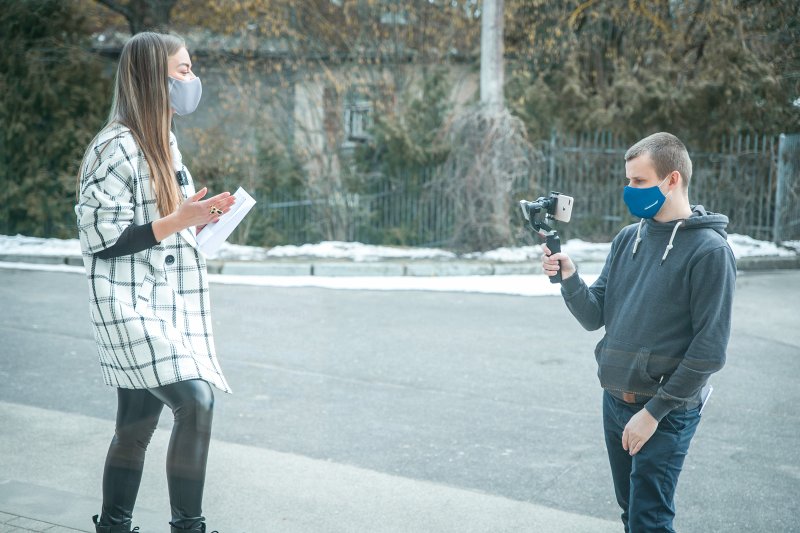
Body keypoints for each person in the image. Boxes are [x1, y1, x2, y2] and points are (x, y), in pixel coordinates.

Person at [75, 32, 234, 533]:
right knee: (196, 399)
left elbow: (166, 219)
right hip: (127, 305)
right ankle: (190, 527)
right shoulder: (115, 146)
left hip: (158, 301)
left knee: (136, 425)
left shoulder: (162, 140)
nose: (191, 80)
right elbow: (101, 236)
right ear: (153, 77)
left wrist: (201, 218)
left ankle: (113, 526)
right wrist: (177, 220)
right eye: (183, 70)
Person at [541, 132, 736, 532]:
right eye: (628, 180)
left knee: (649, 520)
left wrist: (653, 413)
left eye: (639, 181)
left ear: (673, 180)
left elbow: (709, 351)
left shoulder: (710, 252)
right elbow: (594, 315)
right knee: (631, 512)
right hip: (614, 401)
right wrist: (569, 277)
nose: (629, 190)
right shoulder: (628, 238)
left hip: (665, 412)